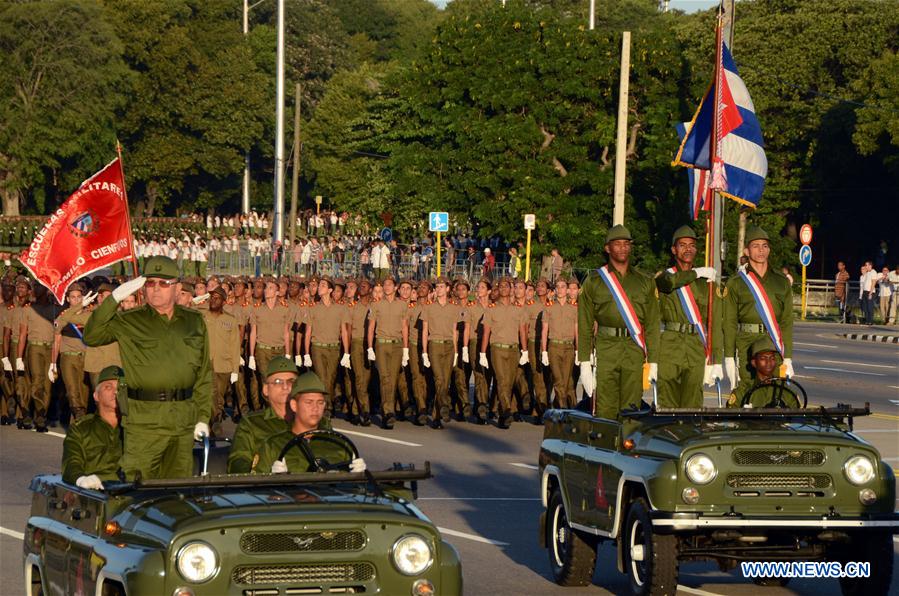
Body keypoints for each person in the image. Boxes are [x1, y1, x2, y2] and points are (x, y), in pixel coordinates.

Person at [83, 256, 212, 480]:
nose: (155, 289)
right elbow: (91, 336)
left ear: (178, 288)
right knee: (138, 490)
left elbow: (203, 373)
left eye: (163, 283)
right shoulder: (130, 320)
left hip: (182, 421)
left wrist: (202, 416)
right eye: (150, 283)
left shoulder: (194, 321)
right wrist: (114, 298)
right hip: (144, 423)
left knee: (177, 493)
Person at [578, 225, 660, 420]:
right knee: (605, 407)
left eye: (626, 244)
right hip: (607, 347)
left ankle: (628, 450)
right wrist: (584, 361)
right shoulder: (595, 280)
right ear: (608, 248)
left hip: (634, 348)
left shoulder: (644, 281)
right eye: (617, 244)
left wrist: (654, 361)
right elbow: (585, 322)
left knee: (632, 407)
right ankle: (605, 449)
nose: (622, 248)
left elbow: (653, 324)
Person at [723, 226, 794, 406]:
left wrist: (788, 357)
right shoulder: (736, 283)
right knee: (747, 388)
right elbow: (730, 322)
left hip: (773, 341)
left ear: (769, 249)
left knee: (776, 389)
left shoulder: (781, 281)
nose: (761, 250)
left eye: (764, 246)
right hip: (747, 340)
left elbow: (786, 321)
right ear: (747, 250)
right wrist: (729, 357)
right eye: (755, 246)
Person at [654, 226, 723, 409]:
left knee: (693, 405)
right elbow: (669, 284)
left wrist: (715, 361)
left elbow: (714, 324)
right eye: (682, 245)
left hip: (695, 346)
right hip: (669, 346)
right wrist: (697, 273)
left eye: (692, 245)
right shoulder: (664, 276)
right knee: (667, 404)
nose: (688, 249)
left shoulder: (706, 284)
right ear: (674, 250)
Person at [256, 372, 366, 474]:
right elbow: (252, 488)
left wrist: (358, 477)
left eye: (320, 402)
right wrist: (271, 480)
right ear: (294, 405)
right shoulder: (273, 445)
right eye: (309, 402)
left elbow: (355, 492)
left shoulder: (340, 444)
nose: (315, 408)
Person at [227, 356, 297, 474]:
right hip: (267, 489)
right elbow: (238, 462)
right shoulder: (252, 424)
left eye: (291, 381)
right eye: (278, 382)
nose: (286, 387)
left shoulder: (314, 421)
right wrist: (262, 474)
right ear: (266, 389)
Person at [61, 365, 124, 489]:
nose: (116, 392)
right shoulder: (81, 429)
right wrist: (80, 479)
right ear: (96, 395)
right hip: (95, 493)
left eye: (121, 388)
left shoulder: (135, 428)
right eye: (108, 387)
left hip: (132, 493)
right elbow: (71, 463)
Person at [479, 278, 527, 429]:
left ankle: (502, 414)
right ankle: (506, 410)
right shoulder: (491, 309)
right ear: (498, 290)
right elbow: (486, 332)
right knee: (501, 380)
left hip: (513, 349)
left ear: (511, 289)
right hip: (497, 348)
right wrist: (482, 353)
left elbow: (522, 332)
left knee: (509, 382)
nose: (505, 288)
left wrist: (524, 350)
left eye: (507, 286)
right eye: (502, 286)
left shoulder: (519, 309)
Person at [421, 277, 468, 428]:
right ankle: (445, 405)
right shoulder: (429, 307)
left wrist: (455, 352)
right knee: (439, 379)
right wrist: (424, 352)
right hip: (434, 344)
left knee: (445, 382)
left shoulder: (454, 308)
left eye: (442, 286)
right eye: (437, 287)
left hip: (448, 346)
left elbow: (455, 331)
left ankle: (436, 416)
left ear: (448, 289)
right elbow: (424, 331)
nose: (439, 289)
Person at [366, 277, 410, 429]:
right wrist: (370, 347)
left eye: (389, 284)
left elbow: (405, 327)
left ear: (396, 287)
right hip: (382, 344)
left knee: (393, 379)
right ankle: (388, 412)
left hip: (397, 345)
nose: (386, 287)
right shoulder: (376, 304)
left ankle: (388, 410)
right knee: (385, 378)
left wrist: (405, 349)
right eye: (384, 284)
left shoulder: (403, 305)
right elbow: (371, 327)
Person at [51, 283, 95, 420]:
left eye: (78, 297)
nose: (76, 300)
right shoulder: (63, 316)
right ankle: (79, 418)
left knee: (84, 394)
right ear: (68, 299)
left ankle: (77, 426)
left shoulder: (90, 316)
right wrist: (52, 364)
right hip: (68, 358)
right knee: (72, 391)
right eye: (73, 297)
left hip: (86, 358)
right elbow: (57, 340)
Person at [203, 288, 240, 437]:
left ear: (224, 302)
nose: (214, 300)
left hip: (223, 365)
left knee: (219, 397)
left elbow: (235, 345)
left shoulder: (230, 320)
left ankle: (215, 419)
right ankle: (212, 423)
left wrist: (235, 370)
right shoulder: (202, 316)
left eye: (217, 298)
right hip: (206, 364)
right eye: (212, 297)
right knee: (208, 395)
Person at [541, 278, 578, 409]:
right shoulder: (549, 307)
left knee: (566, 381)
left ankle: (559, 408)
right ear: (555, 290)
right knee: (558, 380)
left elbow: (576, 330)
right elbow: (544, 330)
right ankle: (563, 408)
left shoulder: (574, 308)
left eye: (563, 286)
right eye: (558, 287)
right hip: (554, 347)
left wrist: (578, 350)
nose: (560, 289)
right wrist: (544, 351)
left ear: (567, 290)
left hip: (568, 347)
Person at [737, 338, 799, 409]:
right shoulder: (743, 391)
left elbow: (798, 416)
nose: (768, 362)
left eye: (772, 358)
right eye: (763, 358)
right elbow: (730, 417)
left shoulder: (786, 392)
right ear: (754, 363)